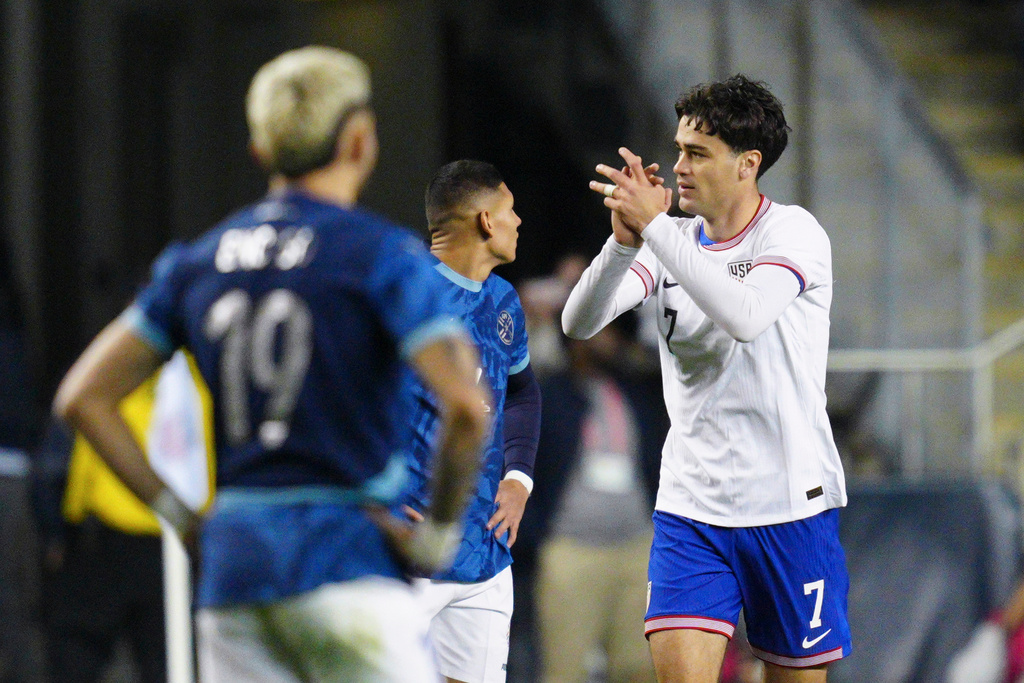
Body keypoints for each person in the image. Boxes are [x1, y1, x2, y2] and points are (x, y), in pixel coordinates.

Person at [52, 46, 490, 683]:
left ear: (260, 152)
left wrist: (184, 521)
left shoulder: (197, 262)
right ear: (360, 141)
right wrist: (437, 539)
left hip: (235, 576)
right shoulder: (379, 255)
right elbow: (465, 410)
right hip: (348, 565)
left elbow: (82, 398)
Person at [562, 74, 852, 682]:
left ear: (747, 164)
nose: (679, 167)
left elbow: (744, 315)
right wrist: (622, 245)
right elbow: (579, 321)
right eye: (678, 150)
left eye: (697, 153)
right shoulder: (669, 243)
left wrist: (658, 229)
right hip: (693, 508)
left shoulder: (793, 233)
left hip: (790, 507)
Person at [401, 159, 542, 683]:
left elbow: (524, 393)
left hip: (484, 558)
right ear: (486, 221)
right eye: (510, 210)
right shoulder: (405, 295)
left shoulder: (504, 301)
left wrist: (518, 477)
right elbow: (342, 407)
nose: (519, 221)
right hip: (406, 557)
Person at [30, 352, 212, 683]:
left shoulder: (116, 368)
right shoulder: (199, 367)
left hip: (161, 538)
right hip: (126, 537)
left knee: (164, 660)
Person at [518, 310, 664, 683]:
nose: (612, 341)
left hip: (637, 548)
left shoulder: (638, 390)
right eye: (603, 331)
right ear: (578, 337)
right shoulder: (550, 394)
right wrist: (537, 538)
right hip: (570, 549)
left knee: (639, 669)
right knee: (563, 668)